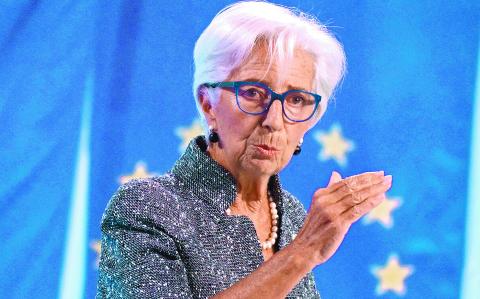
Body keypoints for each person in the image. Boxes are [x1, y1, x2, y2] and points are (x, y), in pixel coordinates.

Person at [96, 1, 392, 298]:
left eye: (297, 99)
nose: (274, 120)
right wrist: (303, 252)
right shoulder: (148, 207)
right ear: (208, 104)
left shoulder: (290, 214)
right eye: (253, 93)